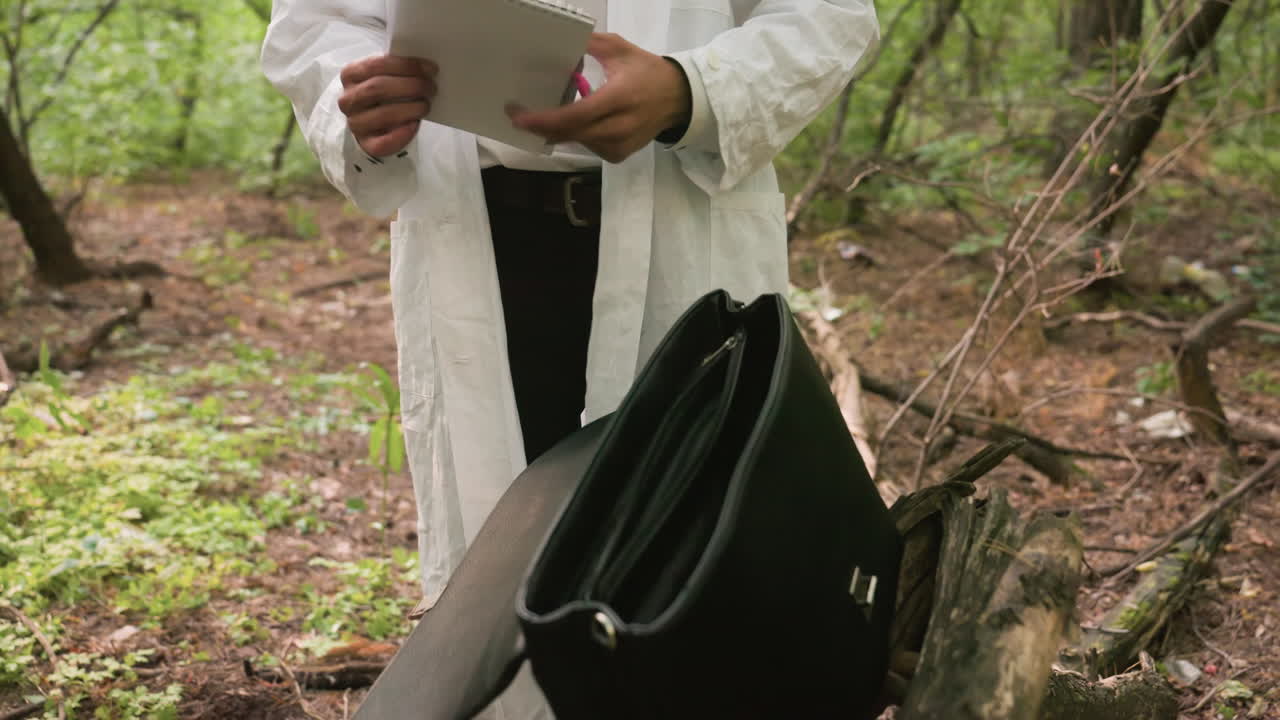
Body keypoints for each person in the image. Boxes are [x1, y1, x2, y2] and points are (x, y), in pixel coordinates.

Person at [262, 1, 877, 714]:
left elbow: (829, 14)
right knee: (497, 585)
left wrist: (694, 90)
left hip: (680, 224)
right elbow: (318, 18)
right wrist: (356, 95)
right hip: (474, 239)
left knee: (686, 553)